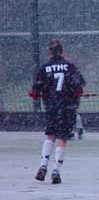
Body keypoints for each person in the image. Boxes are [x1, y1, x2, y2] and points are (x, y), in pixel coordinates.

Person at [29, 39, 86, 184]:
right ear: (62, 51)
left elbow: (34, 92)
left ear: (49, 52)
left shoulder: (44, 68)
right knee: (62, 138)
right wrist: (76, 94)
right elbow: (78, 87)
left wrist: (41, 93)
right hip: (67, 107)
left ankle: (42, 166)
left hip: (51, 107)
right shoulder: (69, 66)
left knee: (50, 136)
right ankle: (56, 170)